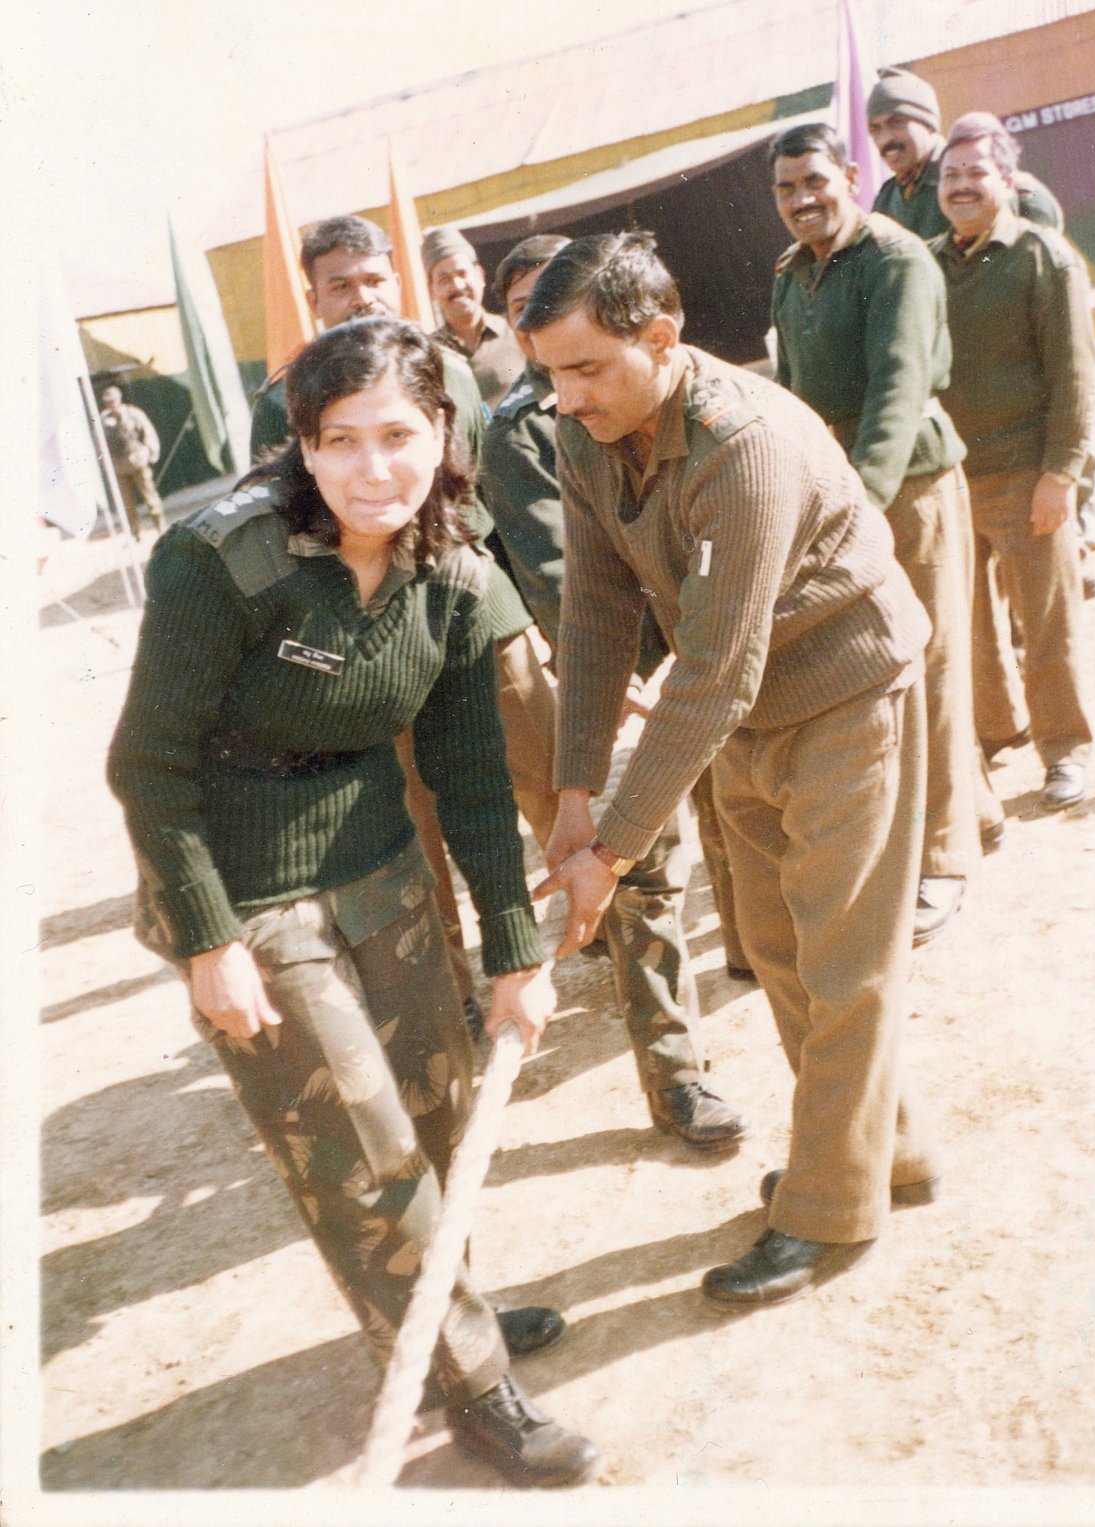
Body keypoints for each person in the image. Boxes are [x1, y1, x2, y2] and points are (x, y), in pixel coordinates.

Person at [107, 318, 598, 1488]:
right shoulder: (223, 560)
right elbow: (148, 767)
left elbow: (471, 776)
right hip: (245, 889)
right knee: (362, 1155)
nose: (375, 468)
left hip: (378, 858)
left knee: (437, 1114)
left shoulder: (455, 573)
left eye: (398, 435)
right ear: (305, 448)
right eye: (341, 441)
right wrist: (209, 940)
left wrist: (514, 952)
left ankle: (440, 1314)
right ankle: (474, 1383)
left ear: (442, 430)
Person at [519, 233, 939, 1307]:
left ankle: (829, 1208)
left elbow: (711, 674)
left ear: (661, 338)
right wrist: (573, 797)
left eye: (586, 368)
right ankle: (882, 1154)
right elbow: (596, 609)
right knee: (777, 944)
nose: (566, 396)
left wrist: (611, 850)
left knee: (842, 958)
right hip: (749, 714)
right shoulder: (585, 431)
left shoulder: (741, 444)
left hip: (843, 692)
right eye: (551, 373)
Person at [250, 214, 560, 1035]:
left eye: (373, 279)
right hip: (371, 644)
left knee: (555, 780)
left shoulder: (448, 370)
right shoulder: (280, 401)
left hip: (479, 617)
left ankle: (602, 938)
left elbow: (486, 498)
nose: (361, 297)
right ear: (313, 299)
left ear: (399, 280)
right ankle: (453, 996)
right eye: (340, 285)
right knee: (412, 831)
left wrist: (534, 617)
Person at [480, 234, 750, 1150]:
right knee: (637, 864)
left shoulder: (687, 405)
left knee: (721, 807)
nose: (562, 371)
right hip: (601, 668)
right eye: (529, 316)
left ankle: (749, 948)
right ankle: (677, 1076)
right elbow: (570, 579)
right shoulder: (523, 426)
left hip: (691, 645)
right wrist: (620, 694)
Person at [769, 122, 1002, 945]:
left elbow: (897, 391)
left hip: (908, 486)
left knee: (928, 662)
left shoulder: (896, 260)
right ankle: (975, 808)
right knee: (888, 663)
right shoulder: (791, 274)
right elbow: (793, 397)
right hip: (846, 489)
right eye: (786, 188)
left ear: (850, 174)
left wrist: (860, 503)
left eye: (815, 181)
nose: (802, 200)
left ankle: (943, 858)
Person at [931, 114, 1095, 810]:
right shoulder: (926, 263)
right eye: (951, 175)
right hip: (951, 481)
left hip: (1029, 476)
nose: (962, 186)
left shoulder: (1044, 257)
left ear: (1007, 179)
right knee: (967, 626)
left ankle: (1067, 751)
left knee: (1047, 624)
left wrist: (1061, 474)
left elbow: (1075, 374)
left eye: (977, 172)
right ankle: (998, 730)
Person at [866, 66, 1063, 238]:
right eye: (875, 128)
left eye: (897, 123)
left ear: (928, 124)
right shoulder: (886, 199)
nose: (885, 139)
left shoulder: (967, 177)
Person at [422, 227, 526, 411]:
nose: (457, 286)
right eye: (444, 279)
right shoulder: (429, 354)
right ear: (431, 290)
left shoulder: (517, 330)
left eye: (462, 274)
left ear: (480, 275)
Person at [99, 385, 165, 538]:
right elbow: (99, 443)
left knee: (150, 497)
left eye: (113, 401)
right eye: (108, 402)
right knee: (127, 503)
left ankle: (160, 527)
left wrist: (150, 453)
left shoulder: (133, 414)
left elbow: (148, 433)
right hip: (118, 466)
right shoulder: (103, 420)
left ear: (119, 400)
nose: (111, 404)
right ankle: (135, 533)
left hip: (138, 460)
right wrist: (105, 463)